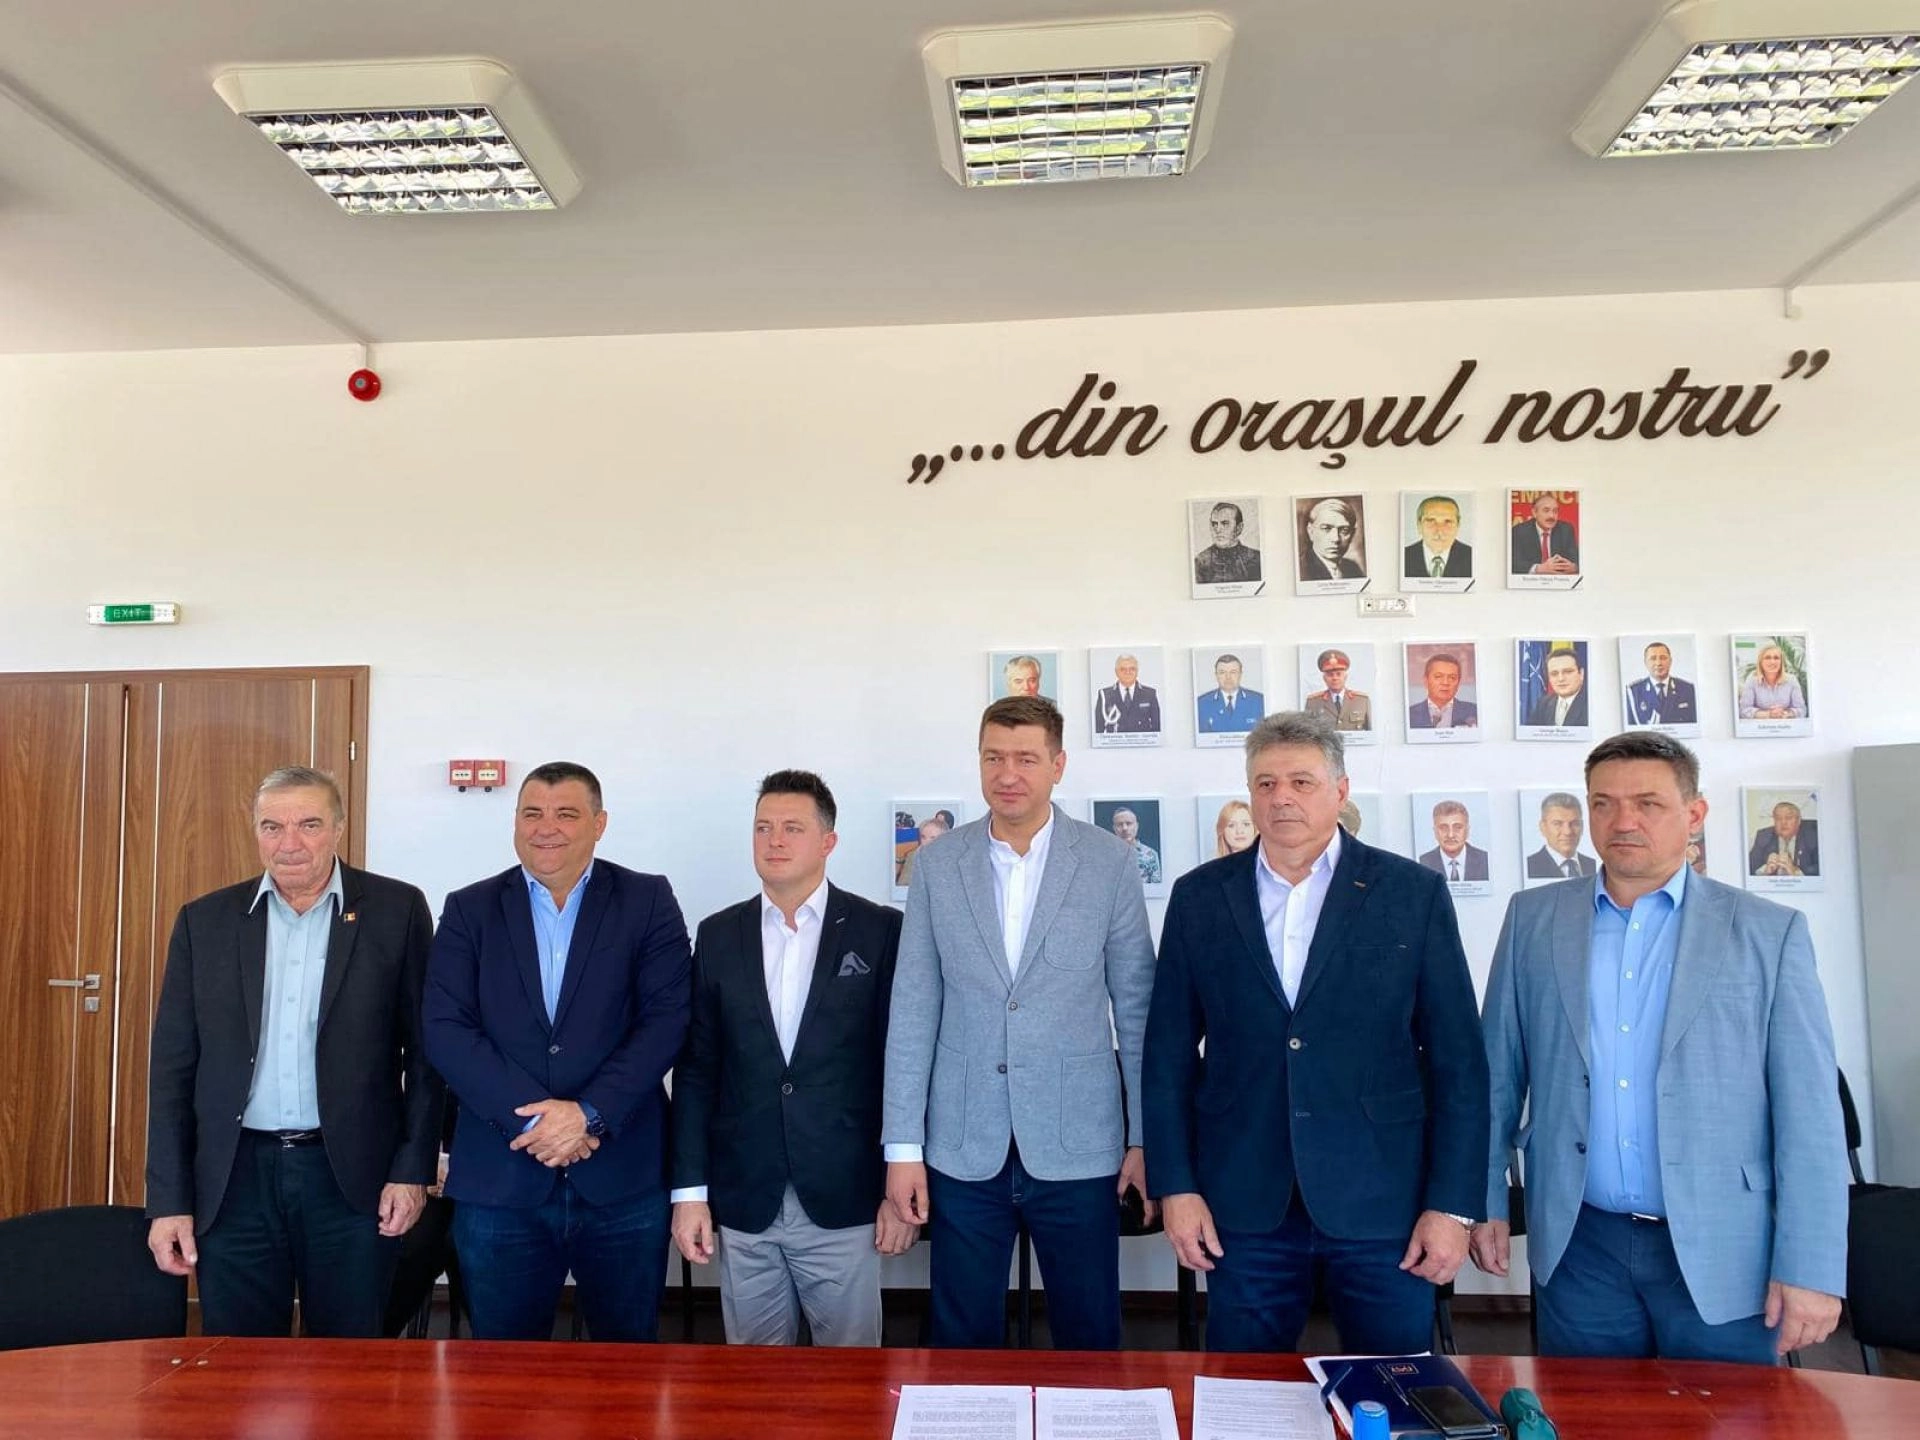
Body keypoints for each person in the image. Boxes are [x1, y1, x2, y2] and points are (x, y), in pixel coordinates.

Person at [1474, 731, 1847, 1363]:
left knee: (1726, 1412)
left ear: (1694, 814)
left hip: (1724, 1245)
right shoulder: (1533, 920)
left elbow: (1809, 1112)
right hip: (1579, 1245)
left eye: (1647, 803)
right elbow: (1495, 1080)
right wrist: (1483, 1199)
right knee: (1588, 1411)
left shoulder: (1769, 932)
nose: (1624, 821)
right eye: (1604, 803)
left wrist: (1810, 1264)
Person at [1144, 712, 1489, 1353]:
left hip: (1384, 1200)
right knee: (1245, 1394)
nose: (1282, 798)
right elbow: (1166, 1056)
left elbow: (1459, 1063)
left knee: (1393, 1387)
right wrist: (1177, 1187)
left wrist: (1452, 1206)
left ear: (1341, 790)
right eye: (1266, 783)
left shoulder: (1410, 892)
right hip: (1242, 1200)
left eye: (1301, 782)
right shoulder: (1199, 898)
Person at [883, 695, 1156, 1350]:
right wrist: (903, 1149)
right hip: (963, 1142)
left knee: (1089, 1336)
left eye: (1026, 759)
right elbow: (913, 1007)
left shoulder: (1109, 861)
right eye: (993, 757)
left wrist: (1146, 1139)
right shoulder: (937, 865)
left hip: (1080, 1140)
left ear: (1058, 765)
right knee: (960, 1338)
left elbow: (1138, 1009)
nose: (1008, 774)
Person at [145, 766, 442, 1337]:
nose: (290, 843)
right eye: (272, 826)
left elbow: (427, 1059)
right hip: (233, 1180)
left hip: (351, 1177)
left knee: (348, 1359)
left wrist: (412, 1170)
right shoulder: (205, 921)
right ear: (255, 832)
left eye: (308, 824)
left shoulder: (396, 910)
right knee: (238, 1360)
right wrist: (169, 1200)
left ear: (338, 828)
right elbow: (172, 1072)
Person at [424, 761, 691, 1342]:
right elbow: (446, 1028)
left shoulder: (647, 899)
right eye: (532, 813)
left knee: (627, 1364)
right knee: (503, 1369)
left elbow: (666, 1020)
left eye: (566, 814)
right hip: (500, 1181)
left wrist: (589, 1114)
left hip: (621, 1178)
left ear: (599, 824)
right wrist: (541, 1120)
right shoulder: (470, 908)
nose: (546, 828)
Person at [670, 771, 912, 1346]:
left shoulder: (881, 930)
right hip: (744, 1197)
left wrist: (895, 1188)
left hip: (845, 1194)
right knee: (753, 1380)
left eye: (792, 828)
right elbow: (697, 1071)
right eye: (763, 827)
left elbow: (902, 1064)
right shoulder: (718, 934)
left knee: (851, 1377)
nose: (774, 840)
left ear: (828, 841)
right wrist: (689, 1194)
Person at [1624, 642, 1698, 727]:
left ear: (1670, 661)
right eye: (1653, 658)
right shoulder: (1633, 692)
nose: (1658, 663)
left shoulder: (1687, 689)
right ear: (1645, 662)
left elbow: (1693, 726)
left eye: (1663, 658)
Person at [1526, 793, 1598, 879]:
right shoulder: (1531, 865)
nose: (1568, 832)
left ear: (1582, 826)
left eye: (1574, 823)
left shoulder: (1592, 864)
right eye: (1557, 824)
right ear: (1543, 828)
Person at [1418, 800, 1490, 882]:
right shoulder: (1423, 862)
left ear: (1467, 830)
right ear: (1435, 831)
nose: (1450, 835)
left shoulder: (1484, 859)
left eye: (1458, 827)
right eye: (1443, 828)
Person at [1302, 648, 1372, 732]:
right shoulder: (1313, 702)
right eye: (1330, 675)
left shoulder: (1361, 701)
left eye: (1338, 674)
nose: (1335, 678)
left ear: (1345, 677)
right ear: (1324, 678)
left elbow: (1369, 733)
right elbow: (1308, 733)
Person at [1403, 496, 1472, 579]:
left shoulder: (1472, 557)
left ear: (1458, 526)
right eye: (1430, 521)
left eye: (1448, 522)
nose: (1439, 531)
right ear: (1419, 525)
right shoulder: (1403, 557)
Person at [1194, 501, 1262, 585]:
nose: (1218, 529)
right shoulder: (1201, 561)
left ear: (1239, 528)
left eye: (1225, 523)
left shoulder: (1256, 559)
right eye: (1214, 524)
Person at [1093, 653, 1162, 735]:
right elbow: (1098, 729)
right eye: (1123, 669)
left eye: (1132, 669)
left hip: (1141, 741)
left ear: (1137, 671)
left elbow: (1156, 729)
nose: (1127, 672)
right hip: (1115, 742)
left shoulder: (1149, 694)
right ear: (1116, 672)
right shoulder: (1104, 695)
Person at [1510, 494, 1579, 575]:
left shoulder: (1565, 529)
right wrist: (1538, 568)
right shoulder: (1519, 531)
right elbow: (1514, 563)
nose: (1551, 516)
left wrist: (1574, 567)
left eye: (1555, 511)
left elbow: (1577, 559)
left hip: (1558, 579)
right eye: (1546, 510)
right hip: (1531, 581)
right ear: (1534, 513)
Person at [1299, 497, 1364, 581]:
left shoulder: (1353, 568)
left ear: (1352, 534)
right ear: (1311, 531)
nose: (1336, 539)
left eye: (1344, 530)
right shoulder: (1301, 568)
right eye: (1326, 528)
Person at [1197, 653, 1264, 734]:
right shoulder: (1202, 703)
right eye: (1222, 672)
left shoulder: (1258, 701)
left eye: (1233, 672)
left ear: (1240, 674)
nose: (1228, 677)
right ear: (1216, 675)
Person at [1749, 801, 1820, 878]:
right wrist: (1764, 871)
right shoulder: (1763, 836)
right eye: (1778, 818)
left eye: (1789, 818)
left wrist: (1796, 872)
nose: (1783, 822)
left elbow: (1821, 869)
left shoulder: (1813, 835)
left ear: (1799, 820)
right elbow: (1749, 868)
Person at [1408, 652, 1478, 729]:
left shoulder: (1475, 712)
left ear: (1458, 683)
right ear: (1426, 681)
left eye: (1452, 678)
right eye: (1438, 676)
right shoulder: (1409, 714)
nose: (1445, 683)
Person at [1525, 645, 1589, 728]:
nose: (1561, 679)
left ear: (1581, 674)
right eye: (1554, 674)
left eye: (1568, 672)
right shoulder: (1543, 704)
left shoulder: (1592, 704)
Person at [1738, 644, 1807, 720]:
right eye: (1767, 658)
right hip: (1760, 726)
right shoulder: (1752, 680)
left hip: (1786, 724)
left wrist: (1785, 714)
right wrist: (1768, 714)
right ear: (1761, 662)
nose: (1772, 661)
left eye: (1776, 658)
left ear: (1781, 662)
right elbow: (1744, 710)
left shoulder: (1792, 680)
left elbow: (1802, 710)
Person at [1110, 806, 1162, 885]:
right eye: (1120, 824)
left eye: (1129, 823)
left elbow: (1157, 887)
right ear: (1114, 828)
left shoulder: (1151, 854)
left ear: (1136, 826)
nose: (1124, 828)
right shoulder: (1106, 855)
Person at [895, 813, 950, 888]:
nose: (926, 842)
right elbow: (903, 887)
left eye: (933, 838)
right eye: (923, 837)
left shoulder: (953, 859)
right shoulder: (913, 856)